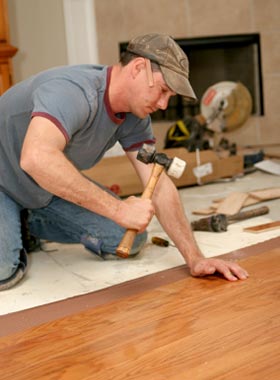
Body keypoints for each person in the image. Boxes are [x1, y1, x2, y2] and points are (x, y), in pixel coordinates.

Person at [0, 33, 249, 290]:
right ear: (139, 67)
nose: (163, 104)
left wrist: (195, 259)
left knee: (129, 237)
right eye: (162, 90)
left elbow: (158, 184)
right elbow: (36, 157)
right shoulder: (73, 92)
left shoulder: (135, 117)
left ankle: (25, 224)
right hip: (3, 180)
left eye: (170, 97)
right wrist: (119, 210)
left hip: (42, 187)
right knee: (3, 271)